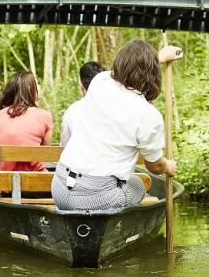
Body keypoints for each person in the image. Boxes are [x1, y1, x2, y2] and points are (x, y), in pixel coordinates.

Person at [52, 39, 181, 212]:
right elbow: (155, 167)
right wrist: (168, 166)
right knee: (138, 185)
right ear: (154, 74)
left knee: (129, 182)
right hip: (96, 200)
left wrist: (159, 57)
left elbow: (127, 70)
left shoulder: (99, 81)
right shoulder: (149, 115)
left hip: (59, 188)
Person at [0, 71, 53, 195]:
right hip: (38, 185)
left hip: (8, 185)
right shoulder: (45, 116)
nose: (40, 86)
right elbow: (45, 153)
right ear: (30, 89)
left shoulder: (0, 115)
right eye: (37, 83)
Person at [60, 61, 104, 147]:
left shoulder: (72, 110)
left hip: (79, 159)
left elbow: (64, 145)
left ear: (81, 85)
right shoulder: (114, 108)